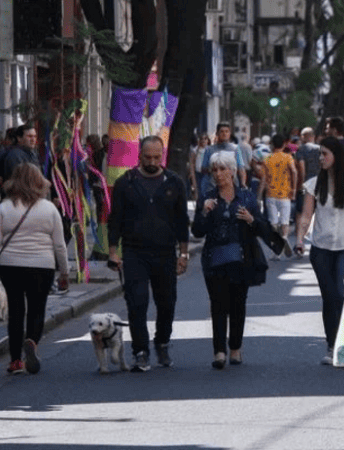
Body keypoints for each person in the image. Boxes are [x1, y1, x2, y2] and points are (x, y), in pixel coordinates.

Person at [107, 136, 190, 372]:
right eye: (147, 157)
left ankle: (162, 342)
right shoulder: (127, 183)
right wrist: (113, 252)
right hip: (135, 253)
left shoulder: (174, 182)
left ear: (162, 155)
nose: (152, 161)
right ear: (139, 156)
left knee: (167, 303)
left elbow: (182, 220)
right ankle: (140, 352)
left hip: (165, 253)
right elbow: (115, 221)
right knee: (137, 302)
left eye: (156, 157)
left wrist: (183, 254)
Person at [192, 152, 280, 369]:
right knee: (218, 305)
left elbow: (261, 225)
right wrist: (204, 212)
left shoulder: (247, 197)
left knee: (238, 304)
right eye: (215, 170)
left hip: (242, 258)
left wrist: (251, 220)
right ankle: (219, 351)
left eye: (223, 169)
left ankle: (235, 348)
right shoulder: (207, 198)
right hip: (214, 259)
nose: (219, 174)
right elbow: (197, 231)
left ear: (232, 171)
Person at [0, 164, 69, 374]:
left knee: (16, 311)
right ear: (40, 182)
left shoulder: (4, 207)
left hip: (10, 266)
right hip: (41, 265)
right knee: (37, 308)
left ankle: (15, 361)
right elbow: (59, 245)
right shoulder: (49, 209)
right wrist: (64, 272)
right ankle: (32, 342)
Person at [294, 136, 344, 365]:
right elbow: (306, 216)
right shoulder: (314, 184)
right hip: (320, 249)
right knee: (329, 297)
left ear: (337, 157)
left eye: (325, 154)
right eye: (320, 154)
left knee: (339, 296)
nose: (321, 158)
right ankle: (332, 346)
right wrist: (300, 239)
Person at [263, 134, 296, 259]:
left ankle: (276, 250)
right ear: (283, 144)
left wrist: (259, 195)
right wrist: (293, 188)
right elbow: (294, 171)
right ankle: (284, 238)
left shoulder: (267, 158)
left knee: (273, 222)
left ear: (272, 144)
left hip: (270, 194)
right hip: (285, 194)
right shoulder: (288, 157)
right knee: (285, 220)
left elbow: (264, 178)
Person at [200, 123, 247, 196]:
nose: (224, 134)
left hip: (231, 188)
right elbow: (203, 169)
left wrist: (243, 183)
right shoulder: (209, 150)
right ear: (217, 133)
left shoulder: (235, 149)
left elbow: (241, 168)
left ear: (230, 133)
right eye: (222, 131)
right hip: (212, 188)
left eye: (226, 131)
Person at [295, 127, 322, 236]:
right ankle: (314, 234)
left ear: (305, 136)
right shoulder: (321, 148)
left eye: (302, 136)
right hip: (319, 184)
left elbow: (301, 168)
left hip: (306, 183)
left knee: (301, 211)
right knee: (317, 210)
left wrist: (301, 183)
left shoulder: (301, 149)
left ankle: (300, 236)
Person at [0, 124, 39, 188]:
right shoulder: (14, 155)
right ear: (19, 138)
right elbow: (20, 181)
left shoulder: (32, 153)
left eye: (34, 136)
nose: (33, 139)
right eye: (29, 136)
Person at [189, 133, 210, 199]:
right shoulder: (195, 150)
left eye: (205, 139)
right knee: (199, 193)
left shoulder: (210, 150)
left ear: (208, 140)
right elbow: (192, 164)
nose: (203, 140)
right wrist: (193, 178)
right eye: (202, 139)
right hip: (198, 173)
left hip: (207, 174)